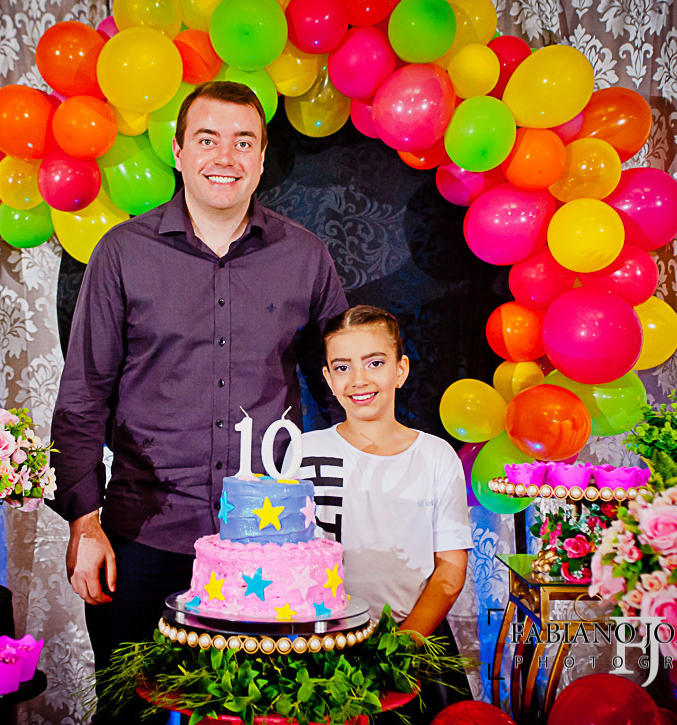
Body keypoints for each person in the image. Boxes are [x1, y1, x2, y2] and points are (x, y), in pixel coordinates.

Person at [48, 81, 348, 722]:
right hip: (141, 540)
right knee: (129, 715)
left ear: (261, 159)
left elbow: (344, 391)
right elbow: (82, 397)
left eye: (244, 142)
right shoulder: (122, 254)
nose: (225, 157)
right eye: (208, 139)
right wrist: (84, 524)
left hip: (267, 548)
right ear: (179, 152)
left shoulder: (305, 257)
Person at [293, 304, 474, 717]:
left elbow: (449, 573)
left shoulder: (435, 456)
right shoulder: (302, 453)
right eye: (342, 367)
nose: (358, 379)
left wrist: (397, 650)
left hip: (410, 645)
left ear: (400, 370)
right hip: (317, 653)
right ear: (328, 379)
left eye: (374, 363)